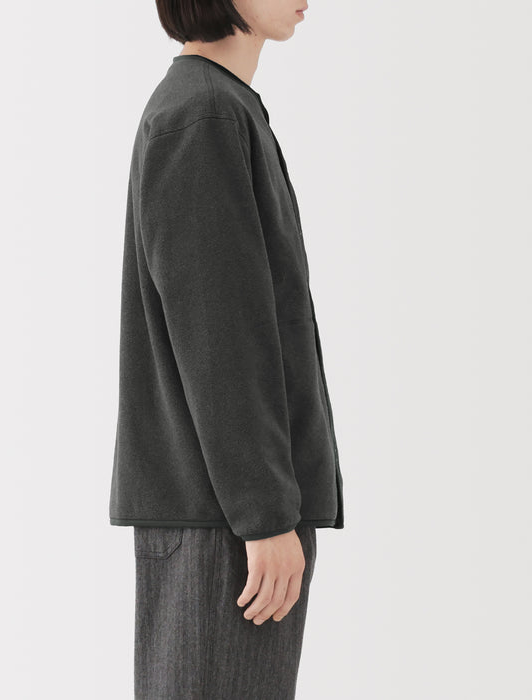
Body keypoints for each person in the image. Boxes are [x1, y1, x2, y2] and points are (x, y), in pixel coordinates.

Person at [109, 1, 345, 697]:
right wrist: (264, 515)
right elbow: (220, 335)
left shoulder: (221, 107)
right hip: (226, 517)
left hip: (227, 510)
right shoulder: (203, 115)